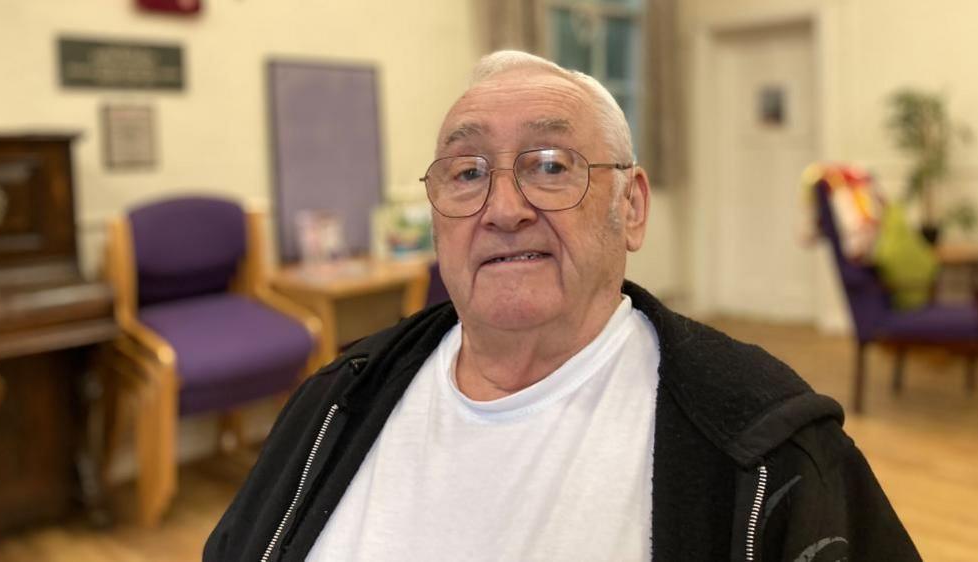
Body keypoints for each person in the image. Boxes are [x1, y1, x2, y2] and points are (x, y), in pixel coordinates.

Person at [205, 51, 919, 562]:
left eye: (550, 166)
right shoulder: (336, 402)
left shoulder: (766, 442)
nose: (503, 209)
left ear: (630, 209)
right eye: (466, 173)